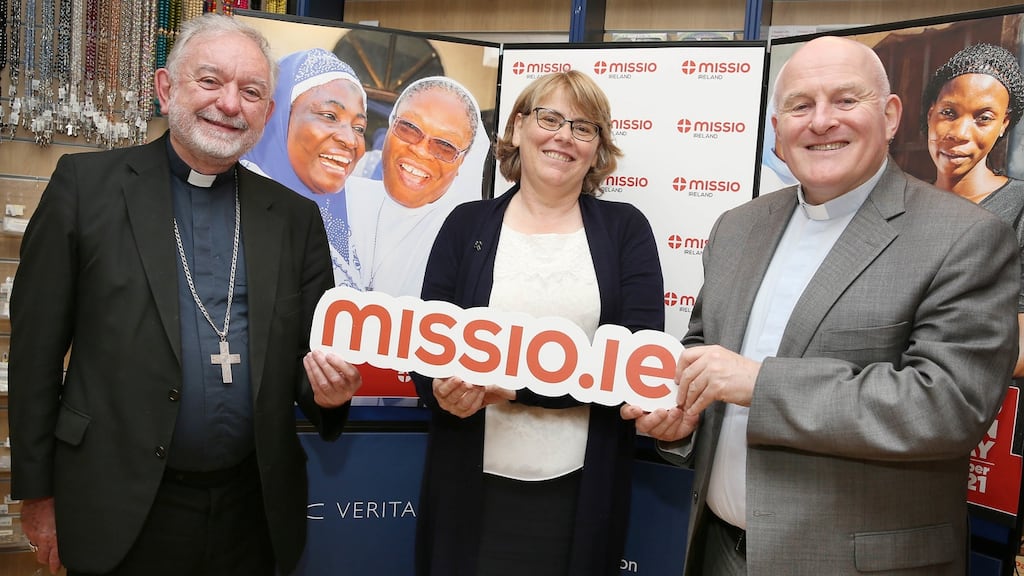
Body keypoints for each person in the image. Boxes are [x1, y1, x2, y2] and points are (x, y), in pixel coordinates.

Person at [622, 36, 1020, 575]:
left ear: (892, 114)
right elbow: (702, 351)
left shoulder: (967, 238)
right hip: (716, 550)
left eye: (845, 100)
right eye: (801, 105)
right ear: (777, 132)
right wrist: (681, 420)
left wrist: (759, 383)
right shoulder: (738, 228)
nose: (821, 121)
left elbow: (947, 406)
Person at [9, 14, 362, 576]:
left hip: (252, 509)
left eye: (251, 92)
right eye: (210, 81)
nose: (230, 104)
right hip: (119, 504)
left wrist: (328, 390)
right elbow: (34, 357)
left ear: (267, 115)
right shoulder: (85, 188)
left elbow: (305, 361)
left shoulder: (294, 219)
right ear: (165, 88)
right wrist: (39, 495)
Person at [411, 70, 664, 576]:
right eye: (549, 118)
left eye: (583, 127)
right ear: (519, 127)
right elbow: (426, 350)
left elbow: (635, 368)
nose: (563, 136)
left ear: (597, 149)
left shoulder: (625, 231)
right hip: (470, 485)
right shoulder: (466, 226)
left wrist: (515, 389)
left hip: (580, 490)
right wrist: (440, 389)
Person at [922, 42, 1024, 378]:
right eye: (949, 113)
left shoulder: (1019, 208)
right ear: (930, 113)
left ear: (1004, 125)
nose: (959, 134)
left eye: (984, 118)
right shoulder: (899, 205)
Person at [345, 76, 490, 297]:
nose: (421, 150)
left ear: (463, 161)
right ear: (391, 124)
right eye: (409, 128)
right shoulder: (340, 198)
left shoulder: (462, 246)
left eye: (445, 146)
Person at [241, 47, 368, 289]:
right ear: (278, 118)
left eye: (359, 128)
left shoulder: (352, 226)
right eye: (329, 116)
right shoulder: (235, 211)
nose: (350, 140)